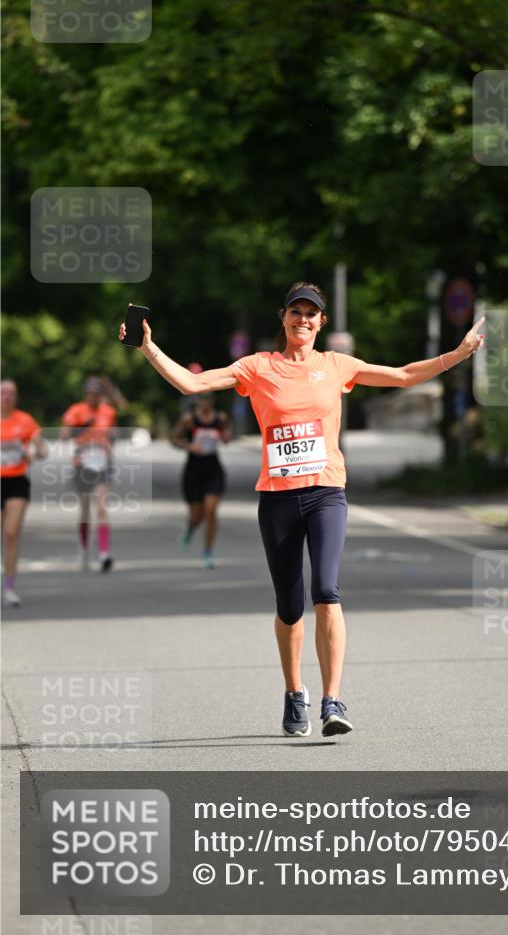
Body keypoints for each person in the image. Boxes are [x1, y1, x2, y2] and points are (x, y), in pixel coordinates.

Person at [118, 281, 484, 737]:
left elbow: (404, 375)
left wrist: (458, 354)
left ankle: (333, 699)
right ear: (284, 318)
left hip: (326, 492)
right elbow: (192, 383)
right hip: (278, 498)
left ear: (322, 323)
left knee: (327, 591)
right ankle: (295, 693)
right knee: (289, 607)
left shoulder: (337, 366)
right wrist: (149, 347)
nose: (304, 320)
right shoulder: (258, 367)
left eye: (312, 314)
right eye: (297, 312)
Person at [61, 377, 117, 572]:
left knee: (102, 508)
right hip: (82, 464)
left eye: (96, 393)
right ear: (86, 394)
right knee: (85, 510)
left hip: (101, 463)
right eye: (89, 393)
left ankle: (104, 553)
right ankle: (83, 548)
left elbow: (110, 436)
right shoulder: (76, 410)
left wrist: (111, 453)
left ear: (101, 395)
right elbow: (64, 435)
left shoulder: (109, 412)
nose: (92, 397)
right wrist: (84, 425)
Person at [170, 393, 231, 568]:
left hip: (214, 470)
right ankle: (190, 528)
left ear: (213, 401)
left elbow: (226, 436)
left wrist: (225, 437)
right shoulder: (189, 419)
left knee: (211, 511)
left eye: (208, 399)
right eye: (202, 399)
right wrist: (189, 446)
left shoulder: (220, 418)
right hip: (193, 472)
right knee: (197, 516)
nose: (205, 403)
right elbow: (173, 439)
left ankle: (208, 552)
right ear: (197, 401)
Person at [1, 379, 47, 606]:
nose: (7, 397)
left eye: (11, 393)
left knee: (10, 533)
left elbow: (43, 449)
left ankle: (9, 587)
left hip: (17, 481)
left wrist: (34, 454)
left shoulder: (25, 421)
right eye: (3, 393)